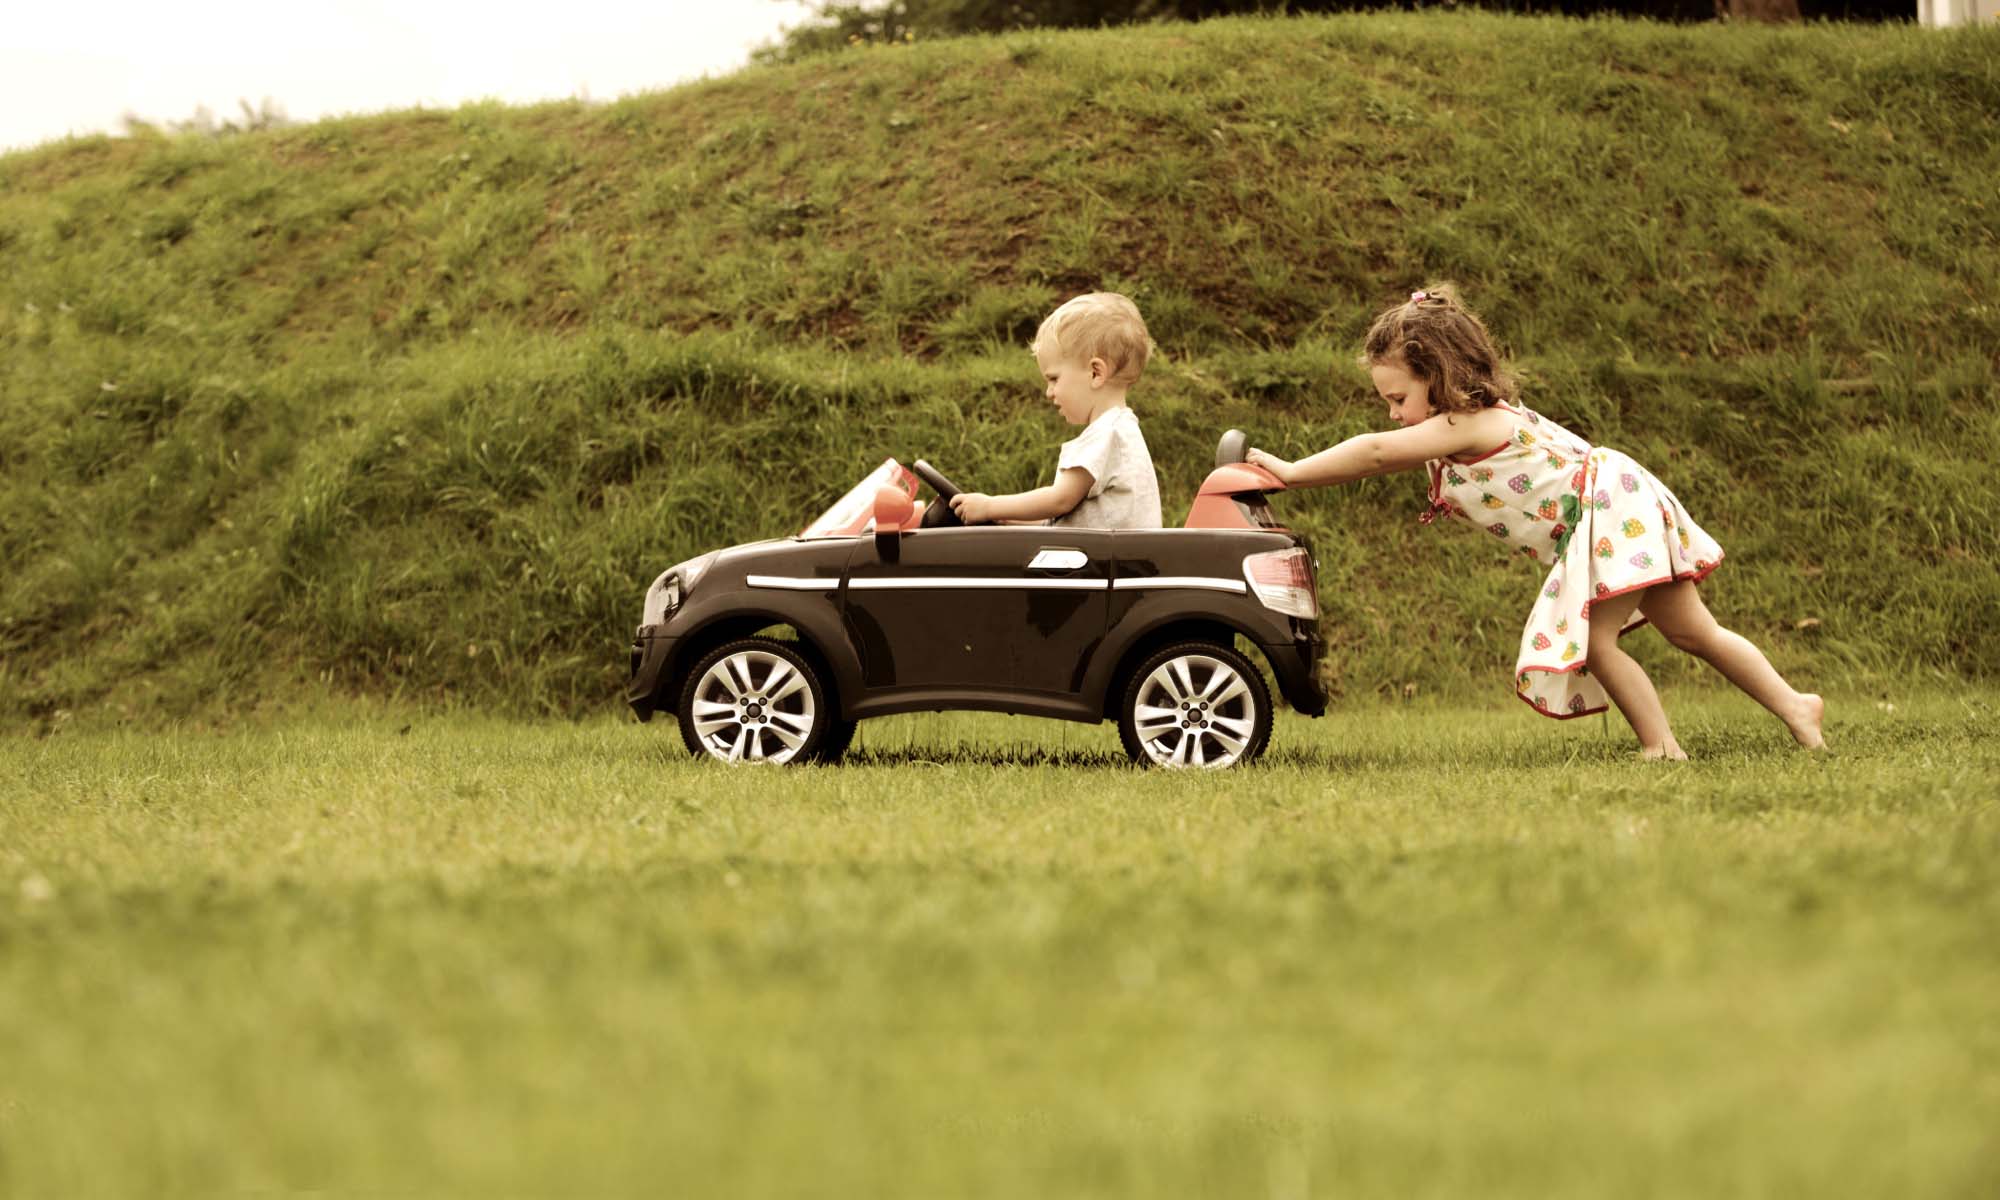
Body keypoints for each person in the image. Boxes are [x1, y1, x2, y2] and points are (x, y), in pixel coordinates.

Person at [1247, 284, 1824, 759]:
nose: (1393, 414)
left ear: (1438, 374)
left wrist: (1292, 472)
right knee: (1695, 632)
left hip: (1609, 510)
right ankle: (1797, 706)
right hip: (1616, 506)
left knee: (1594, 642)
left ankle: (1662, 747)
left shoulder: (1470, 423)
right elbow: (1390, 451)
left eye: (1398, 399)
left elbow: (1374, 453)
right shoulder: (1467, 425)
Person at [949, 292, 1163, 529]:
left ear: (1095, 373)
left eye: (1054, 379)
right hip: (1096, 550)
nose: (1049, 392)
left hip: (1098, 554)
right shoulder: (1121, 430)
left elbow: (1059, 500)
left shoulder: (1107, 435)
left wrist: (990, 506)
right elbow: (1062, 521)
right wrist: (1005, 519)